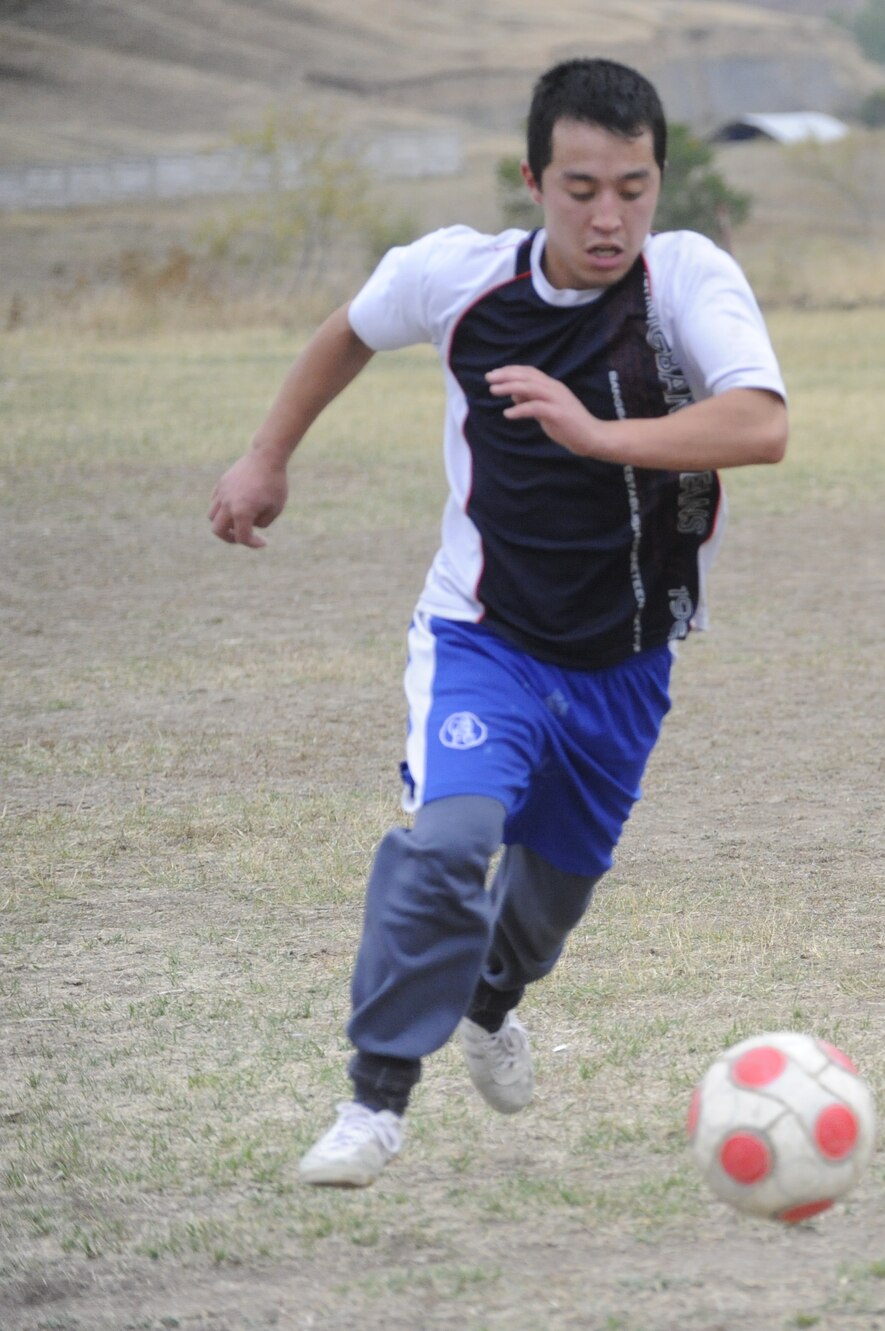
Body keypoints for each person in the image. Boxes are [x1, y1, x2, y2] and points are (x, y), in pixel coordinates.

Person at [208, 58, 788, 1187]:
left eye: (633, 186)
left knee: (543, 910)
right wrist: (265, 454)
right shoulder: (456, 278)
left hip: (626, 660)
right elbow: (348, 331)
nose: (609, 215)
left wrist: (598, 433)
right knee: (450, 840)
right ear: (532, 178)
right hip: (485, 635)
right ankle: (373, 1098)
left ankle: (486, 1000)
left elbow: (758, 425)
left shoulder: (683, 280)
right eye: (580, 187)